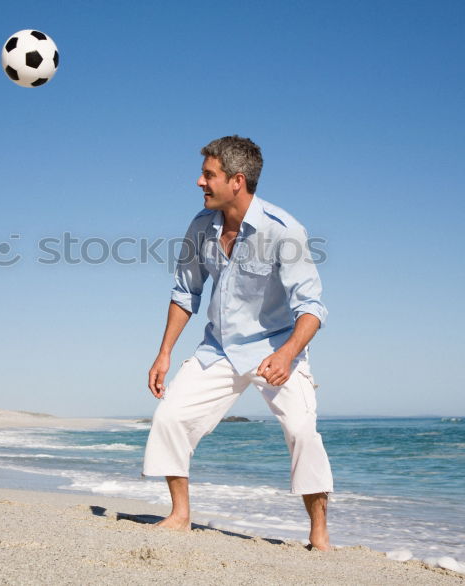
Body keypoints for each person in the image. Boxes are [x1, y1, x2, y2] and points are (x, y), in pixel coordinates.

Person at [142, 135, 334, 549]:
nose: (200, 182)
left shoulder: (284, 230)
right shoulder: (200, 227)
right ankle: (180, 515)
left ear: (237, 181)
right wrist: (164, 354)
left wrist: (287, 354)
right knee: (170, 417)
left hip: (277, 349)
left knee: (302, 431)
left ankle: (319, 533)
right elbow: (184, 293)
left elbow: (313, 308)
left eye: (209, 175)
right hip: (220, 348)